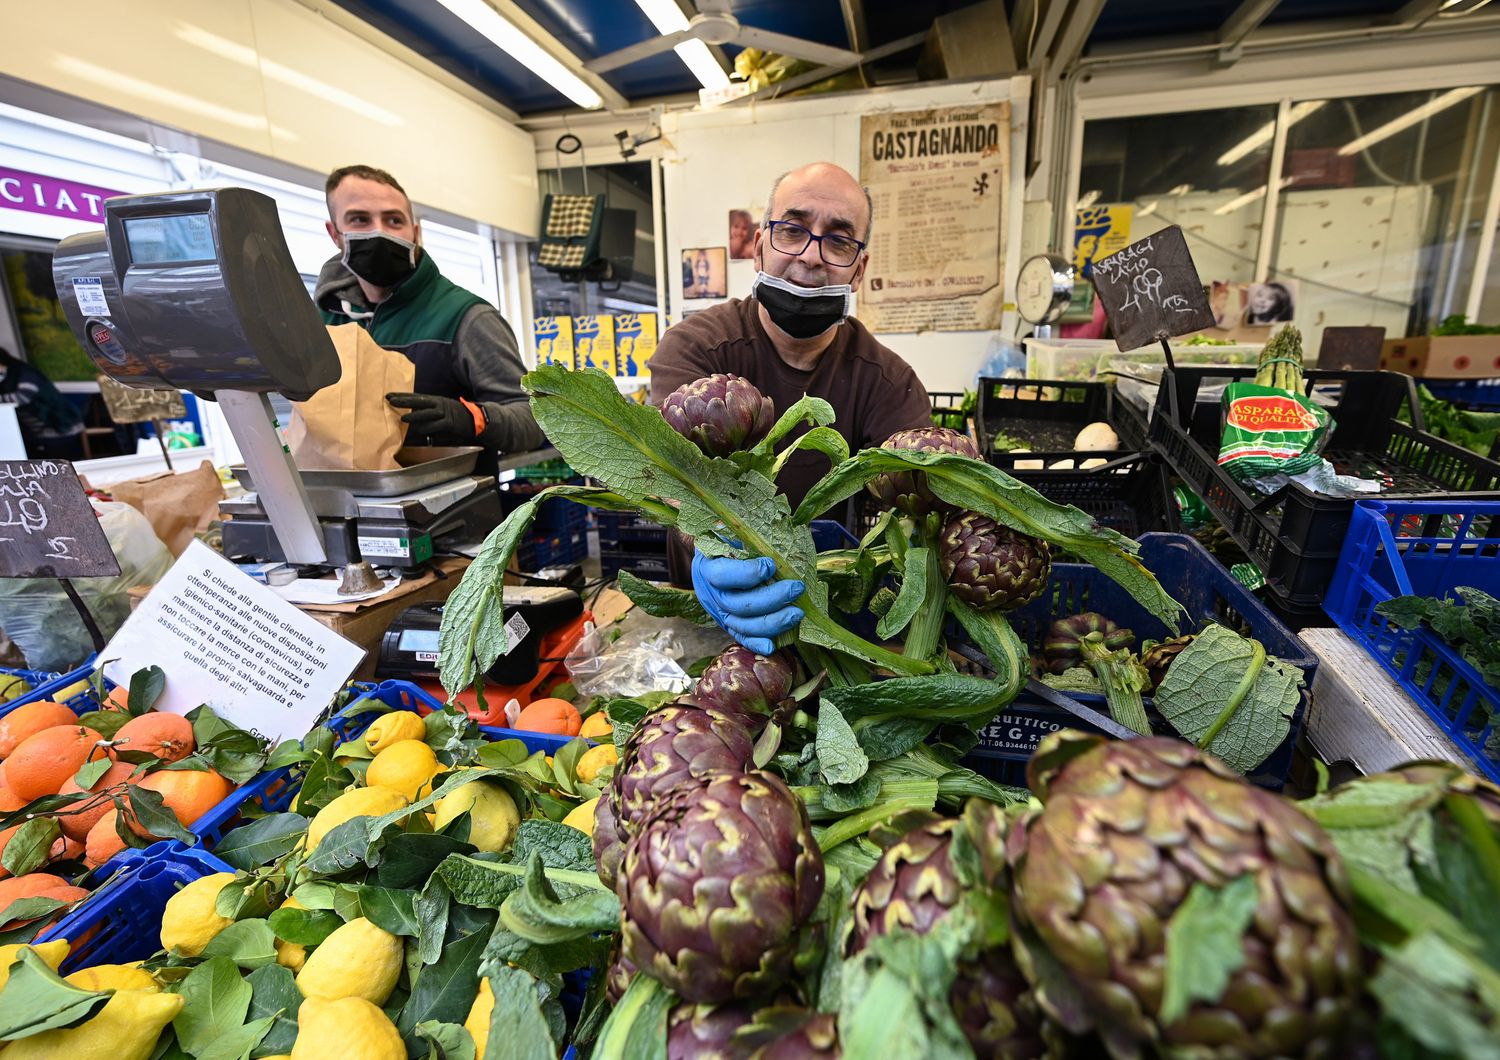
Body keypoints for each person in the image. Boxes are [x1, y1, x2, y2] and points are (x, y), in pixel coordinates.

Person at [649, 161, 932, 652]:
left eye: (839, 240)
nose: (810, 255)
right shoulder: (695, 351)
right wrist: (711, 548)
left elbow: (920, 499)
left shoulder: (889, 383)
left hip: (829, 615)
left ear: (859, 270)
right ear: (759, 247)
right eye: (792, 230)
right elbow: (666, 477)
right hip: (705, 617)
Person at [314, 165, 544, 472]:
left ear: (415, 232)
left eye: (394, 220)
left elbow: (532, 421)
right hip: (348, 505)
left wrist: (471, 418)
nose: (380, 231)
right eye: (360, 219)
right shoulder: (324, 320)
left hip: (456, 510)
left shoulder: (466, 318)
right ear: (334, 233)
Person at [0, 347, 83, 458]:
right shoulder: (7, 375)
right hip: (37, 432)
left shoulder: (23, 372)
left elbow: (23, 397)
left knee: (60, 463)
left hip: (58, 426)